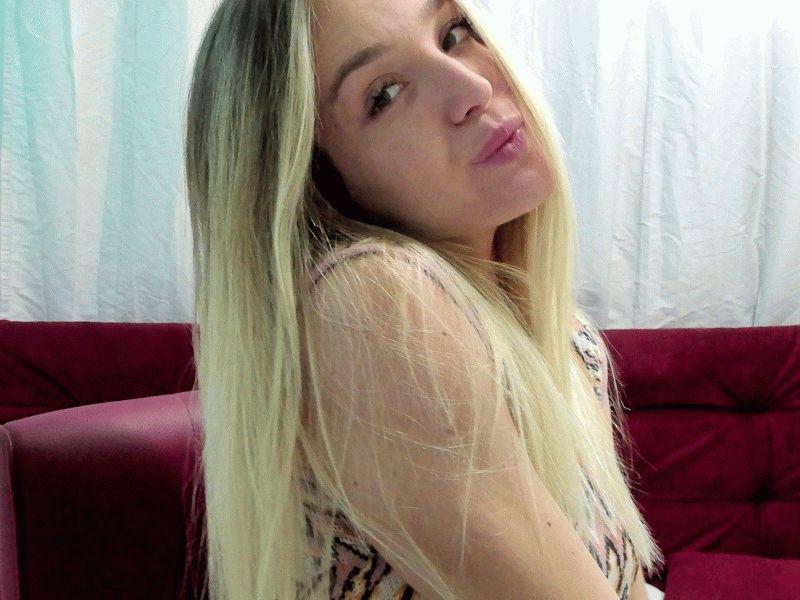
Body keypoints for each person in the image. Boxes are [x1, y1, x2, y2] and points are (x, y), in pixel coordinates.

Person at [182, 0, 666, 598]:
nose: (471, 88)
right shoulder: (373, 305)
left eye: (454, 33)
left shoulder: (566, 338)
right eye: (384, 94)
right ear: (321, 184)